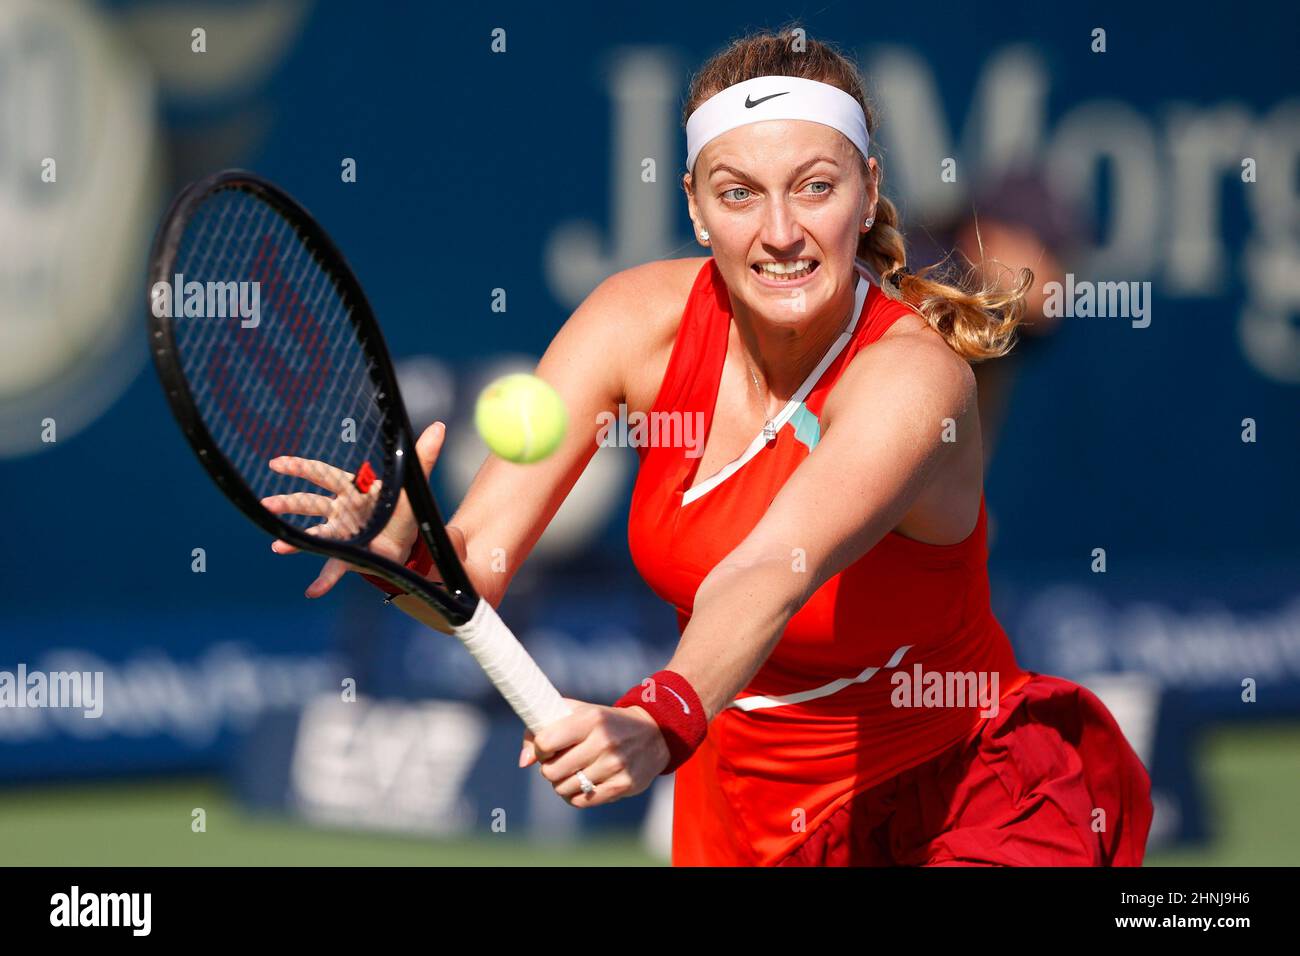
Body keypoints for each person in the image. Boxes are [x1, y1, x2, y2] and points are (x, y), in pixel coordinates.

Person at [270, 29, 1152, 866]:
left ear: (869, 191)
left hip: (962, 799)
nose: (778, 232)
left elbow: (770, 566)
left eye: (815, 186)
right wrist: (403, 559)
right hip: (743, 823)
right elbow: (474, 564)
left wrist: (660, 714)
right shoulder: (629, 324)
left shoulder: (917, 381)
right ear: (694, 205)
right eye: (738, 193)